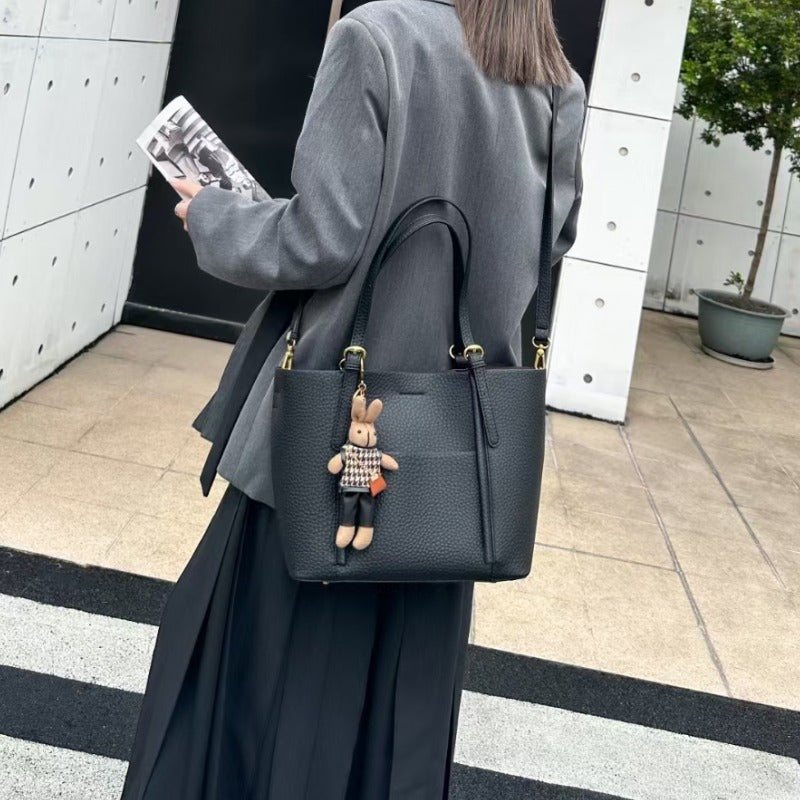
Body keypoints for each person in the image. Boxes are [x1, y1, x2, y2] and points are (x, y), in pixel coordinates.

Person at [121, 0, 586, 797]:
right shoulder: (551, 76)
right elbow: (548, 247)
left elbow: (321, 240)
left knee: (257, 691)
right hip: (455, 470)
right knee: (395, 717)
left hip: (335, 439)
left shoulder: (375, 38)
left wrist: (216, 216)